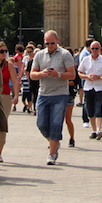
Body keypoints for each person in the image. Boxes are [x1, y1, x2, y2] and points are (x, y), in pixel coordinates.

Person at [29, 30, 75, 166]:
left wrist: (58, 75)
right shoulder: (39, 55)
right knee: (41, 124)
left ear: (57, 40)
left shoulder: (65, 54)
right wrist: (42, 74)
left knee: (56, 124)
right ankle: (54, 142)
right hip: (43, 93)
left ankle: (52, 153)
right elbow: (32, 74)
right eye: (47, 43)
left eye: (52, 43)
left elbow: (72, 75)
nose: (49, 45)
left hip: (60, 94)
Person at [79, 39, 102, 140]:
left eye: (96, 48)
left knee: (98, 109)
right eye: (92, 48)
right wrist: (87, 76)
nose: (94, 50)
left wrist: (100, 77)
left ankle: (98, 130)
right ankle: (94, 130)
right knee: (90, 110)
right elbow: (79, 73)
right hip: (88, 87)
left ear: (100, 49)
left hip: (99, 88)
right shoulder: (85, 59)